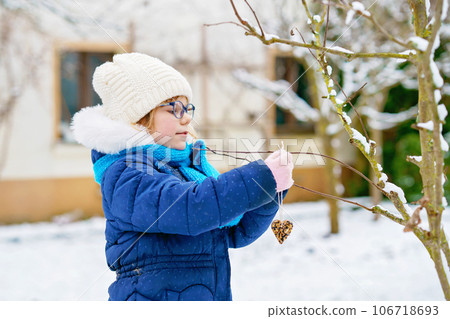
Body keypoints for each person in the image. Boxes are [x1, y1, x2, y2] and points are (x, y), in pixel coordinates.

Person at [71, 52, 294, 301]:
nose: (187, 117)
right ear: (138, 119)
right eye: (174, 108)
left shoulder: (186, 170)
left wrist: (271, 190)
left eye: (188, 108)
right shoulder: (125, 174)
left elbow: (235, 231)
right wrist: (258, 179)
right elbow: (192, 208)